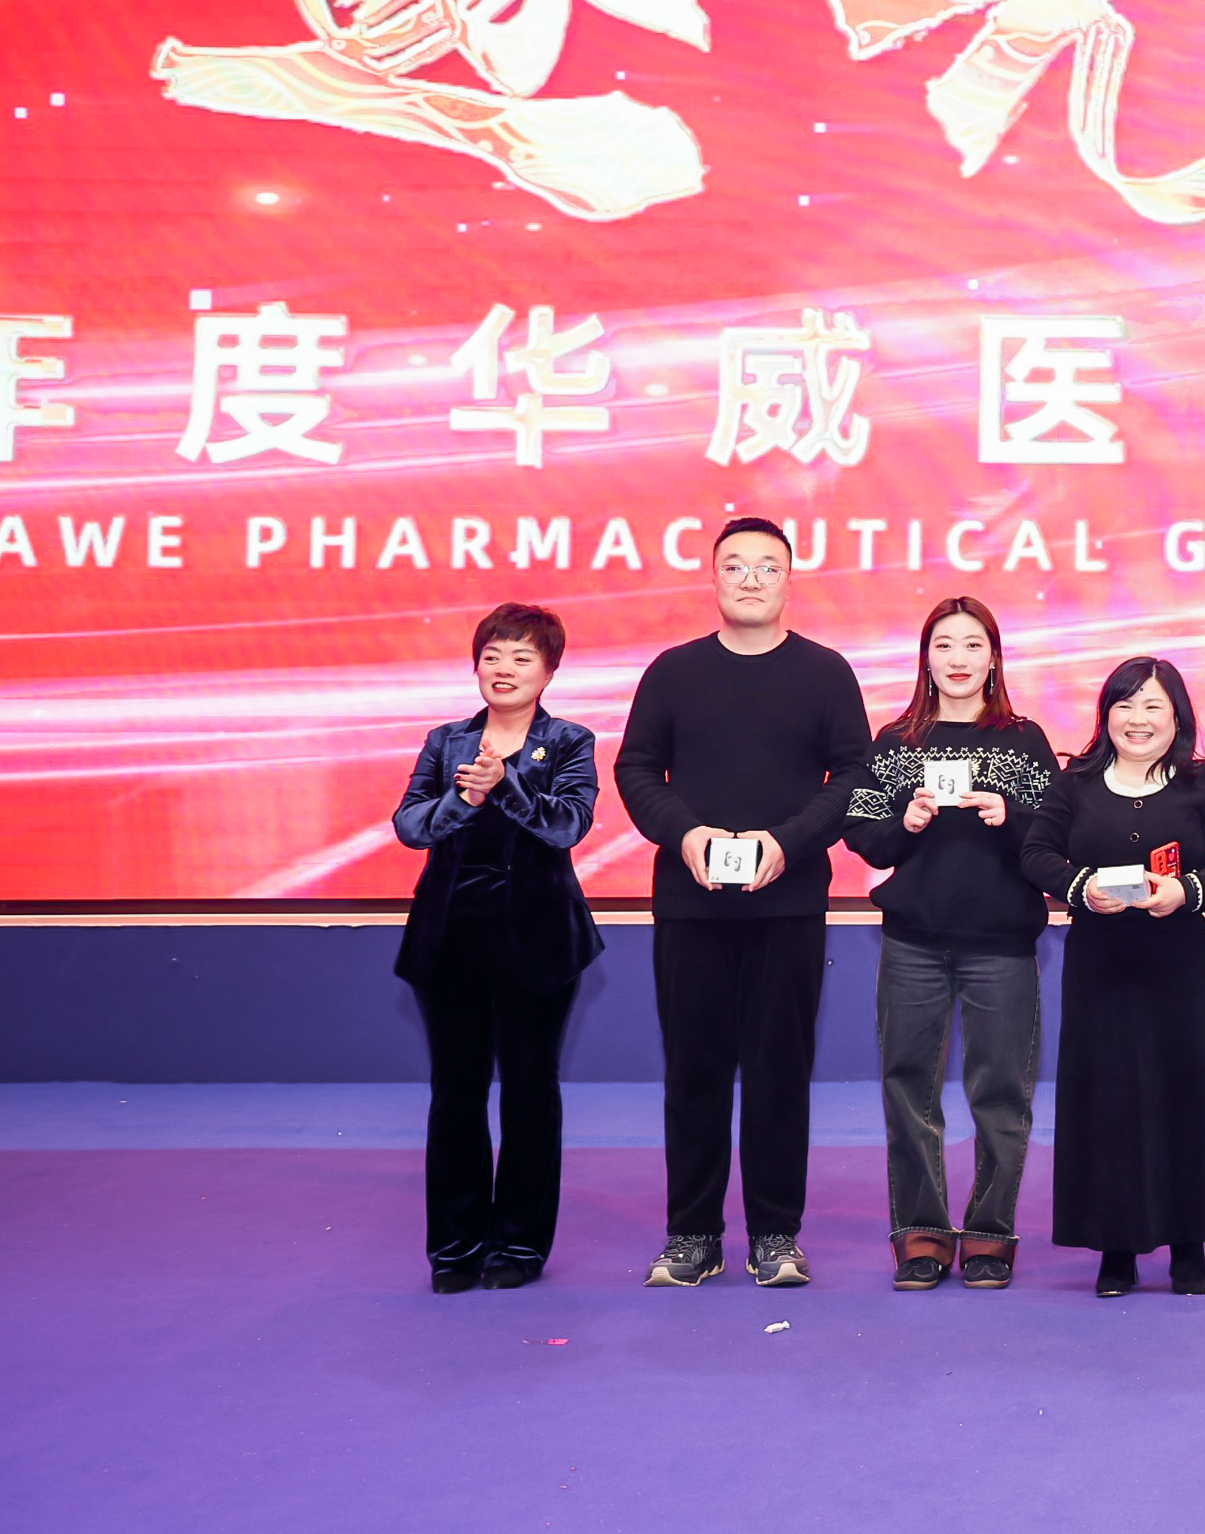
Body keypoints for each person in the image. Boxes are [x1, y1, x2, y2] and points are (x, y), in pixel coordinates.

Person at [614, 518, 870, 1290]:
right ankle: (692, 1234)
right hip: (688, 906)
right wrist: (684, 833)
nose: (750, 578)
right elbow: (636, 768)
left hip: (787, 906)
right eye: (735, 565)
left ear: (789, 579)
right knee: (692, 1072)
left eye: (766, 566)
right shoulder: (673, 671)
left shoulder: (825, 672)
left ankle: (775, 1233)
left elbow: (854, 777)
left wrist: (786, 842)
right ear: (714, 578)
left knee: (778, 1074)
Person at [1021, 658, 1205, 1296]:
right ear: (1106, 715)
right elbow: (1036, 853)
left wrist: (1187, 890)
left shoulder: (1201, 783)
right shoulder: (1075, 782)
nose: (1138, 719)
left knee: (1183, 1096)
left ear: (1177, 715)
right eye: (1124, 705)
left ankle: (1188, 1245)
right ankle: (1116, 1247)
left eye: (1153, 705)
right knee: (1107, 1101)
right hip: (1099, 968)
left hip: (1177, 968)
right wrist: (1080, 887)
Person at [843, 598, 1059, 1290]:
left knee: (1002, 1093)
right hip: (913, 943)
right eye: (944, 644)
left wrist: (1009, 815)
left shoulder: (1023, 740)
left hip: (1002, 945)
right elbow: (865, 836)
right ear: (926, 657)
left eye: (972, 644)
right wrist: (905, 822)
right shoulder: (896, 740)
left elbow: (1058, 839)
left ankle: (990, 1234)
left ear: (993, 657)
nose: (958, 658)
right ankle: (922, 1233)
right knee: (909, 1088)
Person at [391, 603, 602, 1293]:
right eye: (492, 655)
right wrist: (466, 799)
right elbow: (410, 825)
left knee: (529, 1093)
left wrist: (504, 785)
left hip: (538, 944)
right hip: (450, 942)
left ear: (548, 671)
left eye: (521, 657)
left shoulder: (569, 741)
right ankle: (454, 1248)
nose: (503, 668)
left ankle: (518, 1244)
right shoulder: (445, 740)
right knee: (455, 1093)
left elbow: (567, 826)